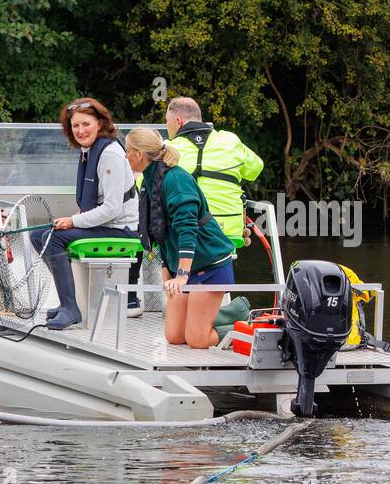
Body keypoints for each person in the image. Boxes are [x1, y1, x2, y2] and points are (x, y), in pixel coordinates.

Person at [124, 128, 237, 349]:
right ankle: (210, 318)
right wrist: (167, 269)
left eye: (127, 151)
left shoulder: (175, 179)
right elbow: (161, 232)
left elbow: (187, 228)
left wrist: (182, 274)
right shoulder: (149, 180)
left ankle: (240, 325)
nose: (125, 156)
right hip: (183, 269)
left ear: (139, 154)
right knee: (175, 336)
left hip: (210, 265)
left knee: (197, 340)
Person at [34, 97, 139, 330]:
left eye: (86, 124)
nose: (80, 130)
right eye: (75, 126)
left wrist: (73, 221)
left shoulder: (109, 154)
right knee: (37, 236)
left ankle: (71, 309)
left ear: (100, 123)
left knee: (54, 238)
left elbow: (112, 209)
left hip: (123, 230)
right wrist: (73, 220)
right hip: (108, 224)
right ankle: (68, 302)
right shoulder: (88, 151)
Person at [164, 97, 264, 245]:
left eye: (166, 121)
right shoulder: (230, 140)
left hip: (189, 233)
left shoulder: (168, 149)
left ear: (178, 121)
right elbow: (255, 169)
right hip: (231, 233)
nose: (166, 125)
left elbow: (144, 186)